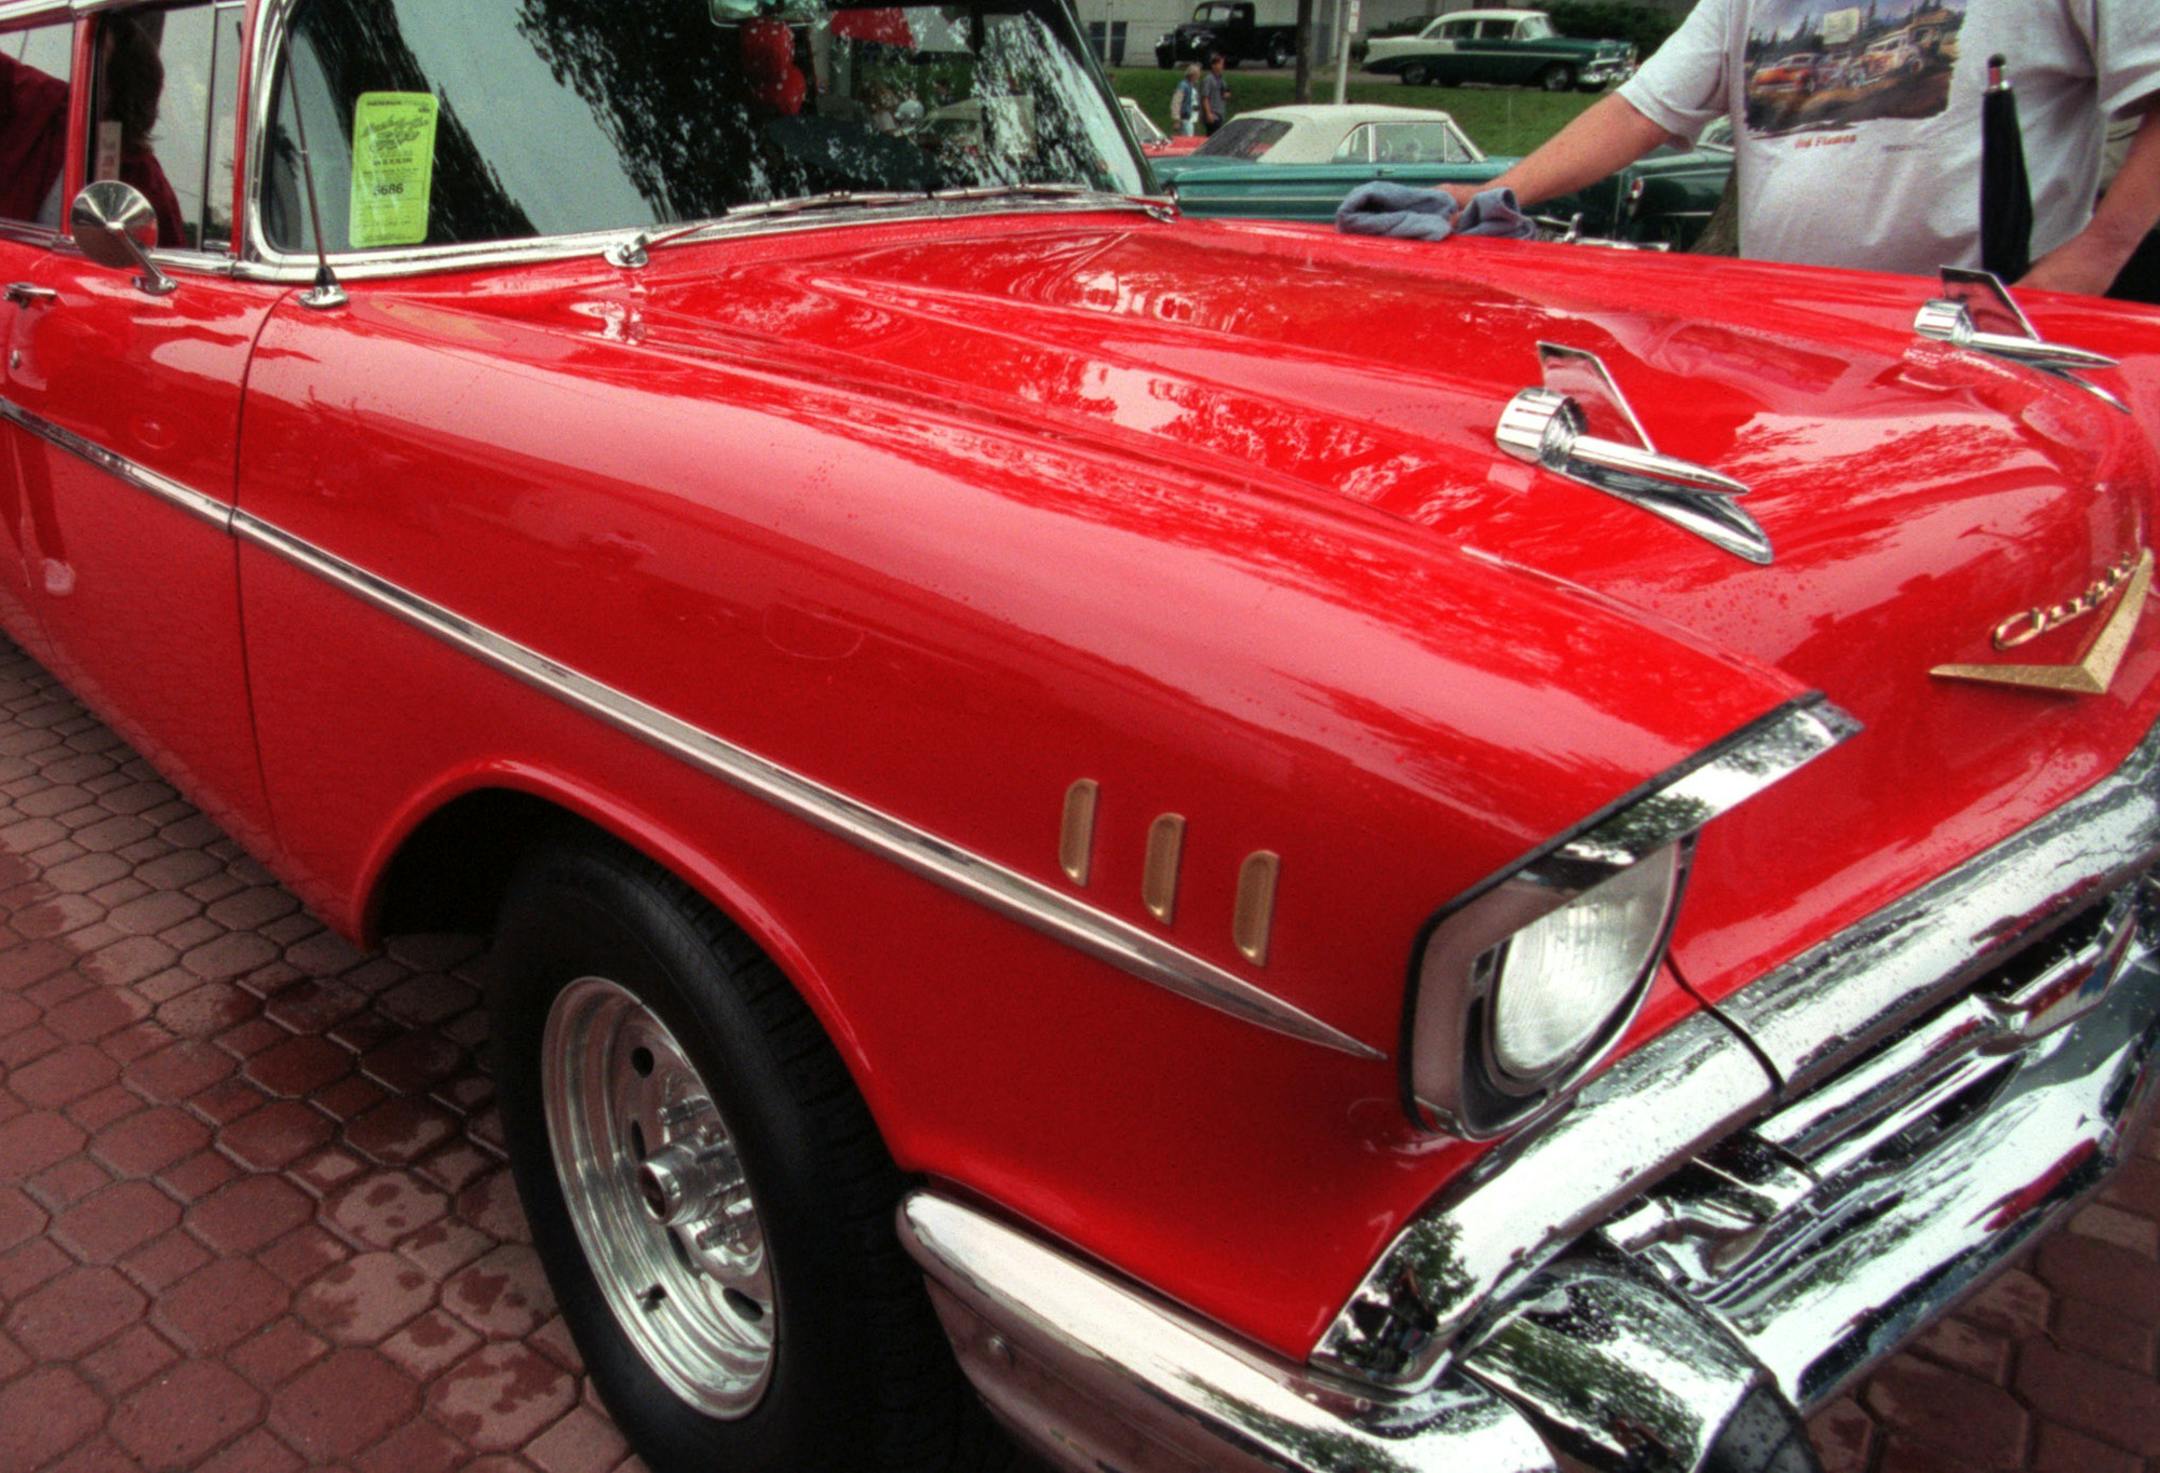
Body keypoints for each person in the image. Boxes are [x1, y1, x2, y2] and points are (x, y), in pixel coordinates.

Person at [1447, 1, 2160, 296]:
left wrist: (2102, 252)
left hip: (1985, 345)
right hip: (1794, 340)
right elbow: (1641, 110)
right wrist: (1487, 197)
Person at [1201, 52, 1229, 137]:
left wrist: (1226, 94)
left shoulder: (1221, 79)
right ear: (1214, 65)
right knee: (1213, 137)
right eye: (1220, 64)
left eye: (1222, 64)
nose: (1222, 67)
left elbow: (1226, 91)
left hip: (1220, 113)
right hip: (1213, 114)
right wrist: (1208, 113)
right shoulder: (1208, 79)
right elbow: (1205, 97)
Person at [1173, 63, 1202, 137]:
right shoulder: (1183, 85)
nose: (1199, 75)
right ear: (1192, 74)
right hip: (1186, 118)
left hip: (1193, 118)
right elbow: (1176, 102)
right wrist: (1177, 119)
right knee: (1188, 138)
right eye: (1198, 73)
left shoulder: (1194, 86)